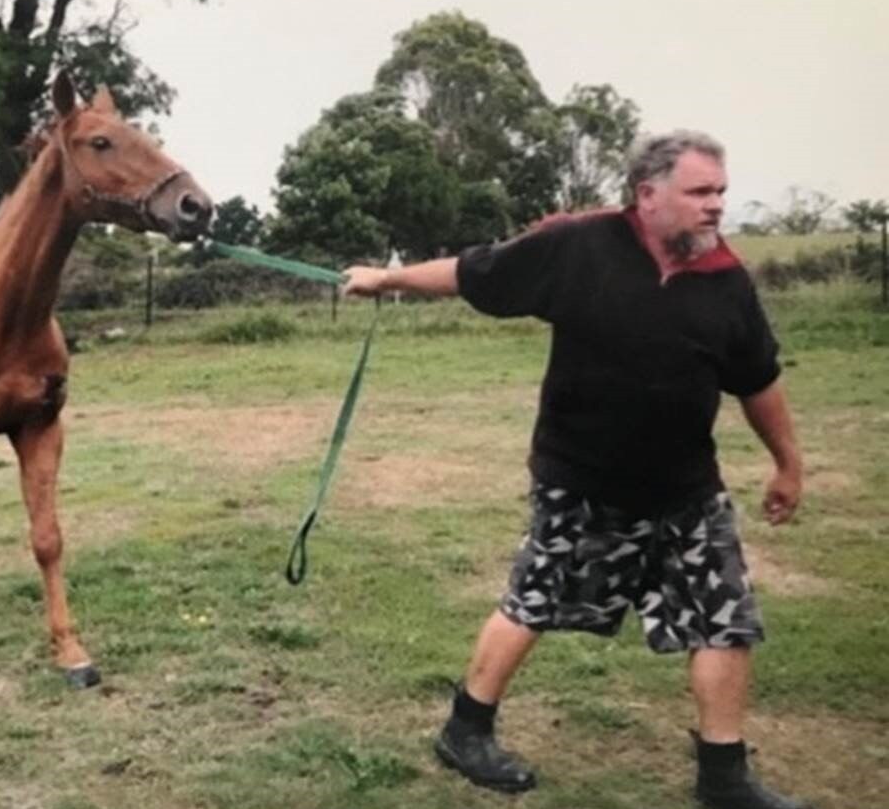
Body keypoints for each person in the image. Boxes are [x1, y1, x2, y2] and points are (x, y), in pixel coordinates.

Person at [342, 131, 807, 809]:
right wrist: (386, 278)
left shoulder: (726, 280)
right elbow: (474, 272)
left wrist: (788, 463)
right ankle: (465, 730)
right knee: (532, 601)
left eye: (720, 192)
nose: (716, 206)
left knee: (725, 620)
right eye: (700, 192)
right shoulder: (579, 246)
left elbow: (758, 378)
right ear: (648, 195)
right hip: (580, 481)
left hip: (685, 489)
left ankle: (724, 777)